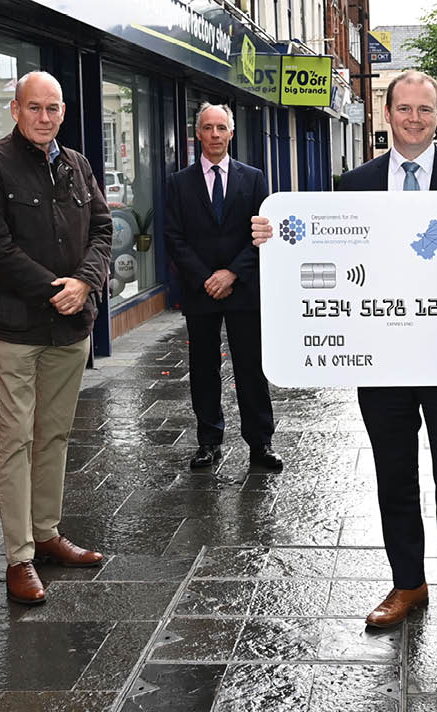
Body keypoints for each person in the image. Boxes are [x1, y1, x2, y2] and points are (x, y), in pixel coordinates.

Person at [251, 71, 437, 651]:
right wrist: (277, 238)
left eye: (425, 110)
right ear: (385, 114)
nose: (414, 119)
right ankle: (407, 584)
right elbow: (325, 247)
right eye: (404, 108)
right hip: (381, 361)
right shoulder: (355, 183)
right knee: (394, 476)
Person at [0, 71, 111, 604]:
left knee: (54, 435)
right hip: (17, 328)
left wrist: (86, 282)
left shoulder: (77, 165)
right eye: (34, 108)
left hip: (71, 327)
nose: (44, 117)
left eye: (53, 109)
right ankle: (19, 556)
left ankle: (47, 533)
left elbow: (102, 229)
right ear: (15, 111)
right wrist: (56, 289)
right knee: (16, 439)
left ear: (63, 113)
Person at [162, 103, 282, 472]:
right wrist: (205, 278)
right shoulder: (178, 183)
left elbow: (260, 235)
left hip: (243, 289)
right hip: (200, 292)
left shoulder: (254, 178)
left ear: (232, 133)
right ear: (197, 133)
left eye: (221, 128)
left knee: (250, 367)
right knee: (204, 368)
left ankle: (260, 443)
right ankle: (208, 442)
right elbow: (174, 237)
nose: (215, 135)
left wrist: (231, 274)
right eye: (208, 128)